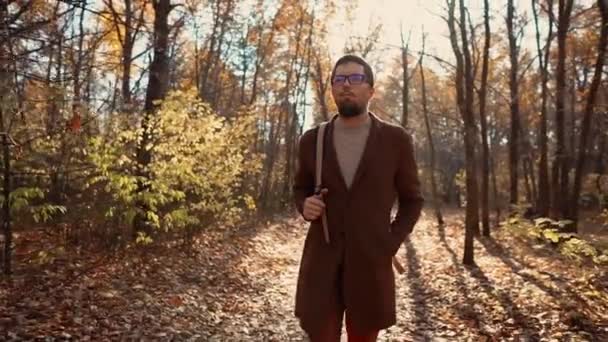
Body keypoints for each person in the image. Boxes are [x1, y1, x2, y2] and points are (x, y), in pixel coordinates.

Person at [292, 55, 424, 342]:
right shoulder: (312, 140)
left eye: (355, 79)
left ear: (371, 90)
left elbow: (413, 200)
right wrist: (305, 205)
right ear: (332, 89)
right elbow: (299, 188)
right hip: (322, 262)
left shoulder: (395, 140)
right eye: (339, 80)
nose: (346, 86)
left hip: (370, 262)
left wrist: (390, 242)